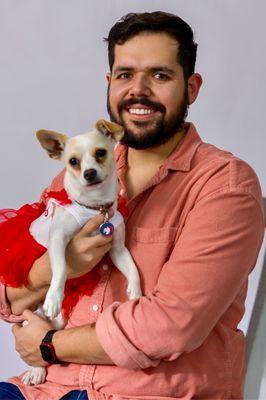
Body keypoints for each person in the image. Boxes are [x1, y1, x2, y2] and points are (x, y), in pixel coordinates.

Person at [0, 11, 264, 400]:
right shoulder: (76, 176)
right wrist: (59, 267)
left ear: (191, 87)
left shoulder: (224, 186)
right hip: (48, 389)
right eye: (125, 75)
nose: (138, 91)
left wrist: (49, 344)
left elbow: (170, 326)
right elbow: (10, 295)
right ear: (109, 84)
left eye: (160, 75)